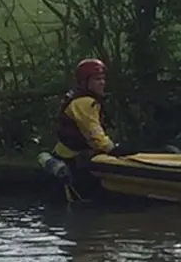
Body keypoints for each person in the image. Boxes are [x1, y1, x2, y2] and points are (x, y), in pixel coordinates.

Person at [50, 58, 134, 200]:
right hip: (74, 160)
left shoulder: (80, 98)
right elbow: (95, 136)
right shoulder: (84, 103)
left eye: (102, 79)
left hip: (69, 155)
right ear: (85, 82)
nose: (102, 83)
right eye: (96, 79)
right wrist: (115, 150)